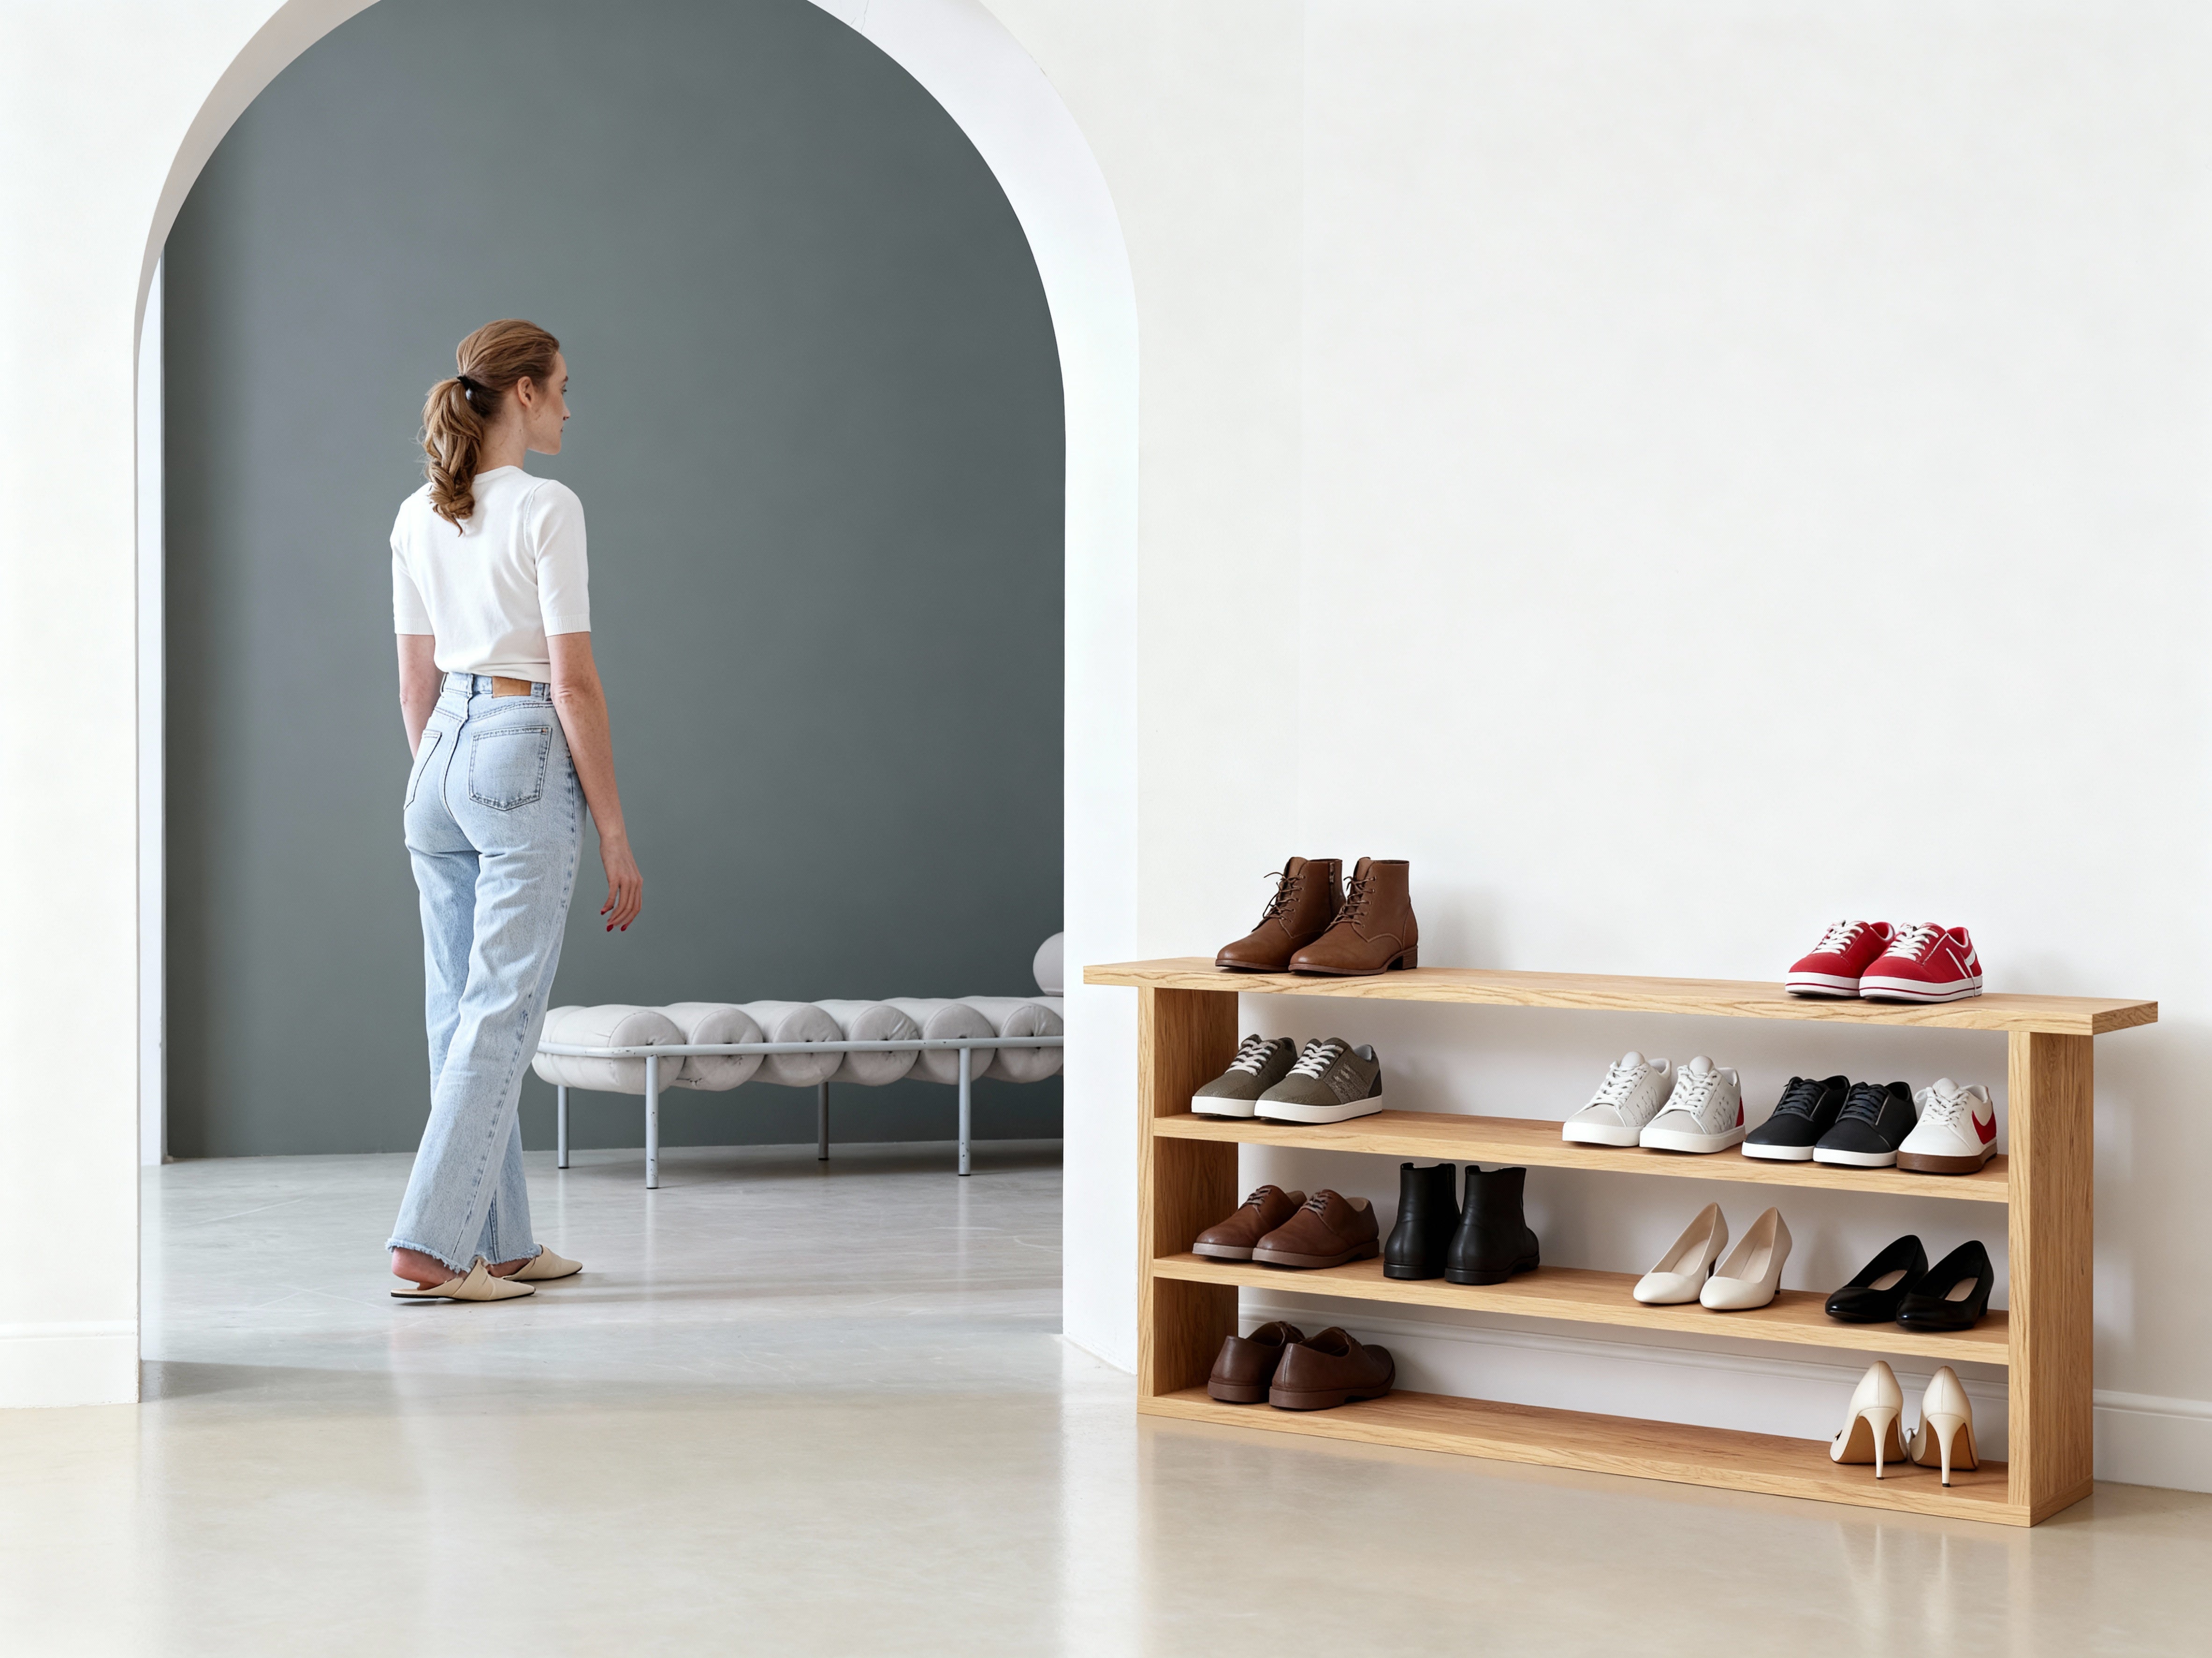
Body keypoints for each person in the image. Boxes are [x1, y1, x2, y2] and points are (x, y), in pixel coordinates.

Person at [385, 318, 644, 1301]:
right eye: (564, 386)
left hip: (440, 754)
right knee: (502, 1013)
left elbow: (415, 679)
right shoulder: (548, 505)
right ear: (524, 393)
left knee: (458, 1011)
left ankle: (501, 1239)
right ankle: (430, 1245)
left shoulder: (417, 513)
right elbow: (573, 683)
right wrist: (614, 828)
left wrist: (442, 778)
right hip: (521, 739)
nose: (572, 404)